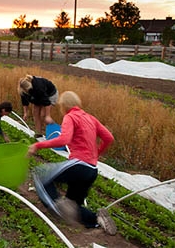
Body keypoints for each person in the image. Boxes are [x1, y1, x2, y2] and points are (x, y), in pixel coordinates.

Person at [28, 91, 117, 235]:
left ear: (63, 106)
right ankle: (96, 219)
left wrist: (38, 145)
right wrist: (97, 153)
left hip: (79, 165)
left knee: (40, 175)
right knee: (72, 205)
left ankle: (56, 210)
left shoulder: (70, 116)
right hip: (92, 169)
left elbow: (64, 140)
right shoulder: (90, 118)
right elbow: (109, 138)